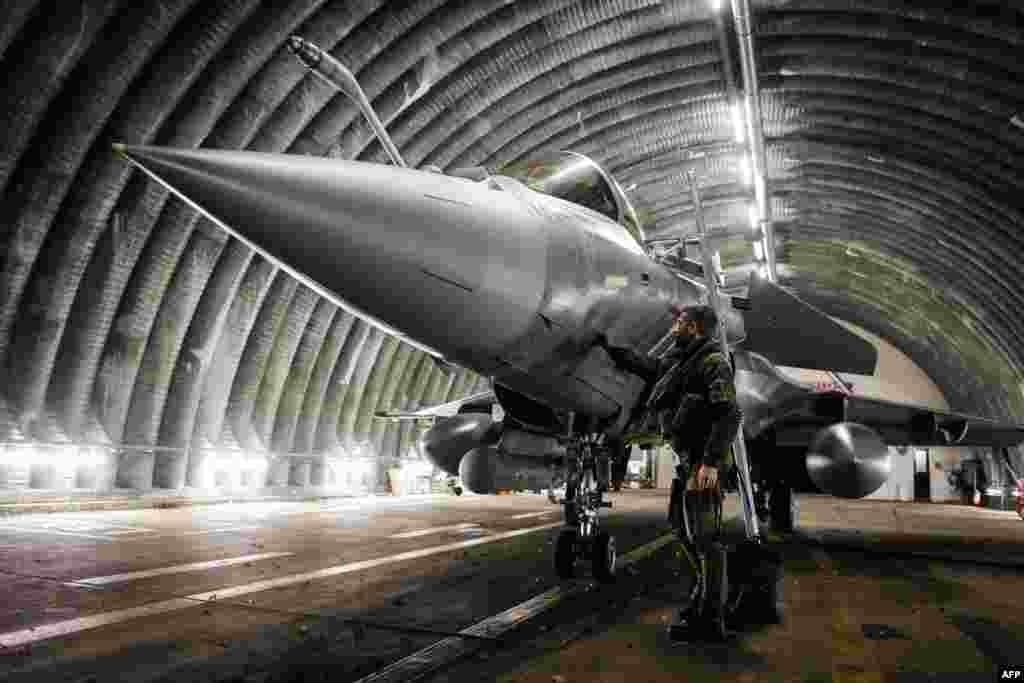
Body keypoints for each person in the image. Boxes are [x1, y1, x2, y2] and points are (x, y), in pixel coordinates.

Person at [595, 303, 742, 640]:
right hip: (687, 461)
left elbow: (729, 414)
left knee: (705, 539)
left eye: (680, 322)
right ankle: (700, 601)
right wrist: (611, 350)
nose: (674, 325)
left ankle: (712, 620)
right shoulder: (682, 361)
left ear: (695, 328)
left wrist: (711, 463)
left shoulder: (712, 362)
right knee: (682, 528)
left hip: (702, 464)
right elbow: (650, 367)